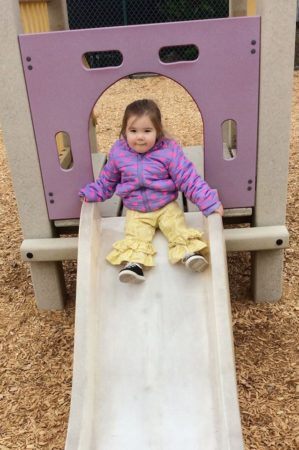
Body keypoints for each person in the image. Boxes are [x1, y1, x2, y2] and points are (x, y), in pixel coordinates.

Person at [79, 99, 223, 283]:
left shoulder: (168, 151)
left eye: (147, 131)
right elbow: (107, 180)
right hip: (137, 209)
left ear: (158, 131)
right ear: (124, 132)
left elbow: (188, 178)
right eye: (133, 131)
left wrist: (209, 202)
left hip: (165, 205)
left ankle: (189, 254)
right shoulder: (119, 153)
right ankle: (135, 265)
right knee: (136, 235)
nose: (140, 137)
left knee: (176, 227)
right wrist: (92, 193)